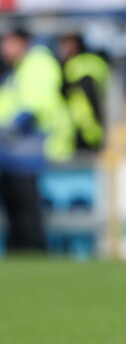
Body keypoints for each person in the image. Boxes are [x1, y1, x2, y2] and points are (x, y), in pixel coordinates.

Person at [0, 29, 74, 253]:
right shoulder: (19, 68)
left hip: (25, 148)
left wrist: (8, 130)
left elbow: (34, 106)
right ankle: (20, 254)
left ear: (23, 43)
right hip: (12, 151)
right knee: (15, 210)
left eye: (9, 43)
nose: (5, 49)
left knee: (25, 211)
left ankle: (31, 254)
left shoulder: (37, 64)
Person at [57, 32, 110, 152]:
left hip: (83, 129)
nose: (61, 48)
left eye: (64, 43)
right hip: (85, 129)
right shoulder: (95, 63)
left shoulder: (76, 67)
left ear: (75, 43)